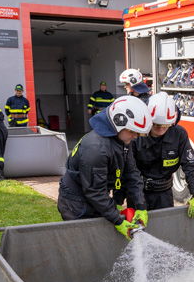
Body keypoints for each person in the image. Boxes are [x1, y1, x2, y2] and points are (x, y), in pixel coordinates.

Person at [57, 96, 151, 239]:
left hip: (94, 194)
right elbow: (95, 192)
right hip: (76, 203)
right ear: (118, 122)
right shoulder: (96, 148)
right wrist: (118, 220)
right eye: (133, 131)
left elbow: (132, 173)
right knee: (86, 243)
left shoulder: (121, 138)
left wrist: (141, 206)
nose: (136, 137)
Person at [117, 92, 194, 216]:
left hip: (164, 193)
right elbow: (127, 170)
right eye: (156, 125)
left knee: (164, 231)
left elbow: (190, 166)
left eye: (165, 126)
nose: (161, 129)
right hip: (138, 192)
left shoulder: (178, 135)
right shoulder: (136, 136)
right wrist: (118, 200)